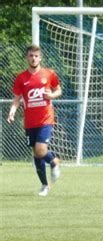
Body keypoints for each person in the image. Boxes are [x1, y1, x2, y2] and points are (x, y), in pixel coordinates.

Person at [7, 44, 62, 196]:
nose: (33, 58)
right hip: (30, 122)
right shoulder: (21, 78)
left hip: (46, 119)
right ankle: (44, 185)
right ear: (27, 57)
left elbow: (58, 90)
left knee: (40, 149)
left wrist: (51, 95)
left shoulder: (49, 74)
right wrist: (12, 112)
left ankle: (53, 162)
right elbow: (17, 99)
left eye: (36, 56)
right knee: (36, 154)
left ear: (40, 57)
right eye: (31, 55)